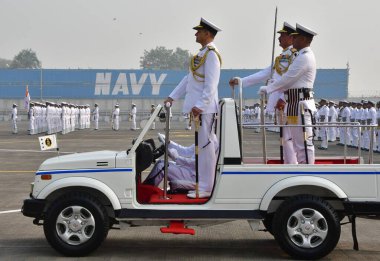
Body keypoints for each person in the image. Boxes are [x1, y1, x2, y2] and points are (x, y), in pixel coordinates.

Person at [164, 18, 221, 198]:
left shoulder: (211, 54)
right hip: (199, 110)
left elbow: (211, 84)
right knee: (201, 148)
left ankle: (206, 186)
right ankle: (202, 184)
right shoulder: (202, 54)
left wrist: (200, 105)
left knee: (206, 147)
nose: (196, 34)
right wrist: (173, 96)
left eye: (199, 31)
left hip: (205, 109)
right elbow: (188, 80)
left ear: (207, 34)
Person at [230, 22, 298, 163]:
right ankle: (289, 164)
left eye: (282, 35)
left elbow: (291, 80)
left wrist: (284, 99)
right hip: (281, 103)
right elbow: (265, 74)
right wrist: (241, 81)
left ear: (291, 37)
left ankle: (293, 166)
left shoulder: (294, 55)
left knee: (290, 138)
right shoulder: (281, 58)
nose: (279, 38)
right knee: (285, 138)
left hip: (288, 102)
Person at [259, 23, 318, 164]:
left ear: (303, 39)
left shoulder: (305, 57)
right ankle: (297, 169)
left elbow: (288, 78)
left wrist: (268, 88)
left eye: (295, 37)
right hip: (293, 104)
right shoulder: (299, 56)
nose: (293, 40)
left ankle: (308, 175)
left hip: (301, 105)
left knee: (304, 144)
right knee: (295, 143)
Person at [144, 133, 218, 196]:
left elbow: (197, 163)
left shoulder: (210, 142)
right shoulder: (204, 137)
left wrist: (177, 158)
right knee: (160, 162)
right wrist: (169, 143)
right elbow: (186, 151)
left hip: (195, 176)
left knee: (161, 167)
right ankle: (145, 187)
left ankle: (145, 192)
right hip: (190, 171)